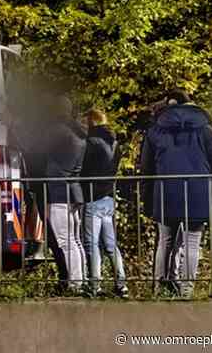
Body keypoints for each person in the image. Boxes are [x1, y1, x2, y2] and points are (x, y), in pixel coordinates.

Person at [140, 89, 212, 298]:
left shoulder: (155, 131)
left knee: (164, 241)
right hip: (198, 191)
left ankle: (159, 288)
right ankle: (187, 289)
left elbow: (146, 169)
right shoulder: (205, 130)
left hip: (165, 191)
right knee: (192, 242)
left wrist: (146, 200)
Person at [80, 108, 127, 297]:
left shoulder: (90, 143)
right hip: (109, 196)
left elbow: (84, 169)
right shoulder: (114, 142)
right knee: (110, 244)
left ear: (91, 122)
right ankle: (121, 284)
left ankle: (94, 285)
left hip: (93, 196)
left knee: (91, 244)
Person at [43, 95, 87, 294]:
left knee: (64, 241)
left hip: (59, 192)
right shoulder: (79, 132)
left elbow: (32, 148)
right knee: (75, 240)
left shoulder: (58, 131)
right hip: (74, 191)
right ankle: (81, 280)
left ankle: (75, 284)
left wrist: (14, 125)